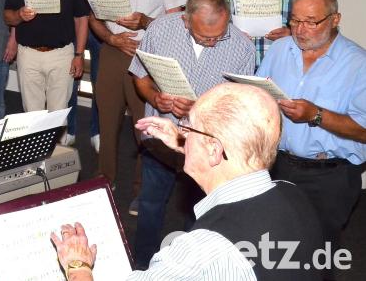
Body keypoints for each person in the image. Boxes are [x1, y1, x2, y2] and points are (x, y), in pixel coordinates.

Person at [52, 83, 324, 280]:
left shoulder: (202, 251)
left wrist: (79, 265)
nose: (182, 132)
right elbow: (235, 157)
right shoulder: (293, 193)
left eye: (188, 127)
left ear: (215, 150)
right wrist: (187, 145)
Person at [128, 0, 255, 268]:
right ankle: (142, 265)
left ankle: (191, 269)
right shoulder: (161, 29)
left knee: (199, 215)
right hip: (161, 137)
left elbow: (237, 105)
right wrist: (154, 98)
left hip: (205, 146)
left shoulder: (243, 47)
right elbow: (139, 76)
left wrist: (201, 109)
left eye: (218, 36)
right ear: (186, 21)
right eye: (203, 37)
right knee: (150, 205)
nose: (212, 43)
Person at [89, 0, 186, 206]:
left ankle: (141, 189)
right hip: (112, 51)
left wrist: (145, 22)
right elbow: (94, 18)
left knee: (145, 125)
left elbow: (176, 21)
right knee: (106, 121)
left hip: (146, 54)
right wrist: (111, 38)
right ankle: (105, 181)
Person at [258, 0, 365, 251]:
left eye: (311, 21)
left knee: (319, 251)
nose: (300, 30)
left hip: (329, 176)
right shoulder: (281, 49)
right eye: (294, 20)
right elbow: (258, 93)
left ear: (335, 19)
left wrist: (316, 115)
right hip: (278, 166)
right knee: (276, 247)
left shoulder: (358, 63)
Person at [58, 0, 122, 150]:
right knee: (69, 78)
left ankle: (97, 131)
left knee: (100, 80)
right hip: (72, 20)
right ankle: (69, 129)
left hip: (101, 20)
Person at [4, 0, 88, 117]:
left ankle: (56, 147)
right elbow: (8, 17)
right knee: (32, 114)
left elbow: (82, 19)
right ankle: (36, 147)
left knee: (58, 114)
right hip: (28, 55)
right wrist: (19, 14)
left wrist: (79, 54)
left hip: (62, 55)